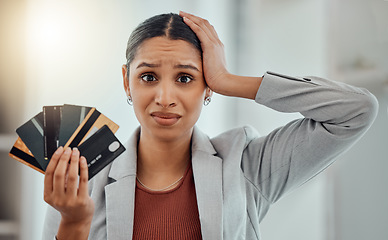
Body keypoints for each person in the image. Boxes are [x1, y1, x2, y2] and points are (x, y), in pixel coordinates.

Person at [42, 11, 378, 240]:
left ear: (207, 88)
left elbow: (356, 110)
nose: (164, 96)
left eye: (185, 78)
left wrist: (230, 81)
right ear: (127, 82)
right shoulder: (81, 174)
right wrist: (73, 224)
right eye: (148, 76)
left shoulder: (246, 165)